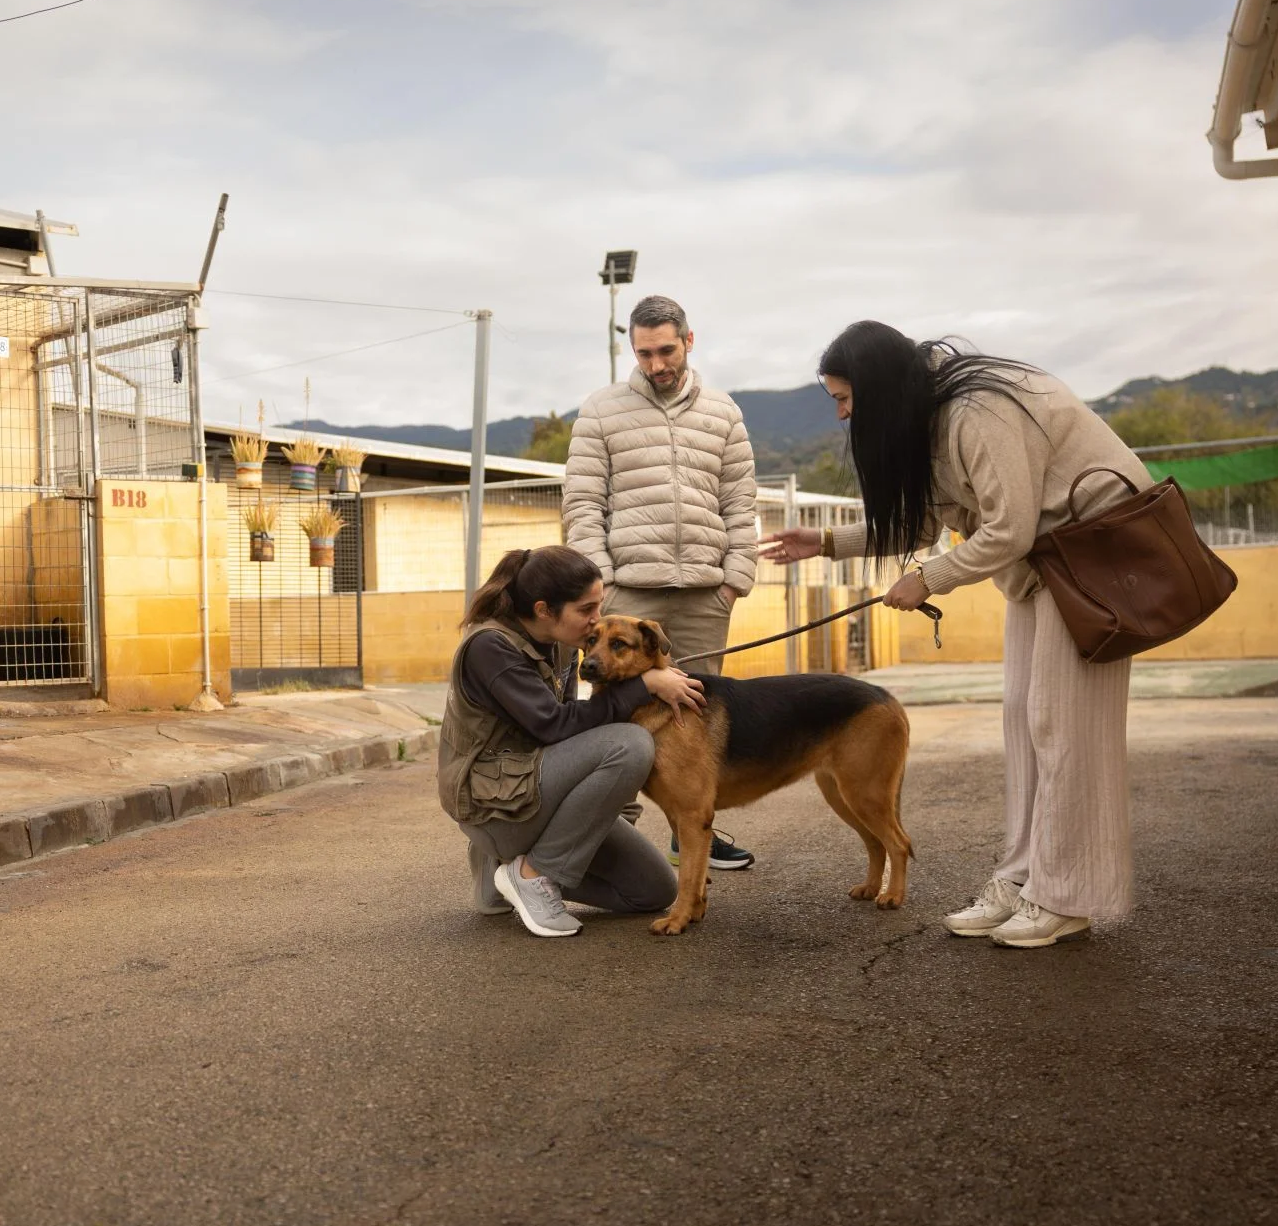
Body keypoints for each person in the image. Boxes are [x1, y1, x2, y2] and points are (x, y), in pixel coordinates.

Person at [761, 320, 1148, 948]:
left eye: (845, 397)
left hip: (1092, 561)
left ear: (879, 386)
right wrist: (828, 542)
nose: (840, 414)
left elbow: (1010, 529)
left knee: (1062, 727)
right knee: (1026, 722)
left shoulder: (977, 411)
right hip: (1049, 567)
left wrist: (930, 580)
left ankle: (1066, 894)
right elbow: (922, 525)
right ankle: (1026, 879)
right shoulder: (934, 419)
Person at [563, 294, 759, 871]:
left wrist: (734, 579)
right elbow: (581, 504)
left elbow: (740, 501)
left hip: (705, 591)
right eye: (644, 353)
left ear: (689, 341)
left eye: (666, 350)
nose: (655, 364)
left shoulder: (723, 412)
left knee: (693, 720)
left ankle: (692, 829)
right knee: (617, 719)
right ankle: (600, 837)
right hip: (630, 593)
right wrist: (602, 592)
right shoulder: (600, 411)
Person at [438, 545, 706, 938]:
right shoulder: (489, 647)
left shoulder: (561, 641)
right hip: (494, 805)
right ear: (545, 609)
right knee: (630, 743)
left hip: (535, 791)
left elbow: (580, 731)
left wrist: (604, 816)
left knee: (652, 890)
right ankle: (530, 875)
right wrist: (645, 685)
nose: (596, 619)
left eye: (599, 605)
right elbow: (555, 725)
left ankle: (499, 869)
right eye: (586, 609)